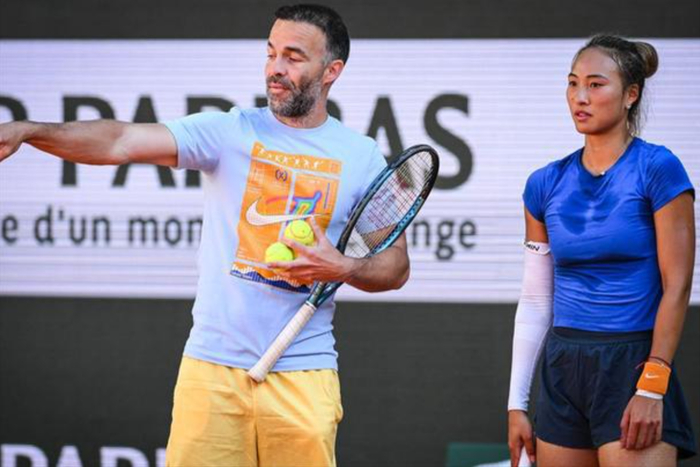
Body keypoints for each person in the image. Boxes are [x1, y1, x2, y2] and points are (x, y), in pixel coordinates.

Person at [0, 4, 410, 466]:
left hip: (305, 373)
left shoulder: (361, 156)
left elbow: (395, 266)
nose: (275, 68)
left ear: (331, 70)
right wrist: (30, 130)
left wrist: (343, 267)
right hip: (212, 369)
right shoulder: (229, 131)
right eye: (271, 53)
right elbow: (119, 141)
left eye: (293, 57)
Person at [507, 34, 697, 467]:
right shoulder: (544, 183)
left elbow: (678, 284)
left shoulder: (658, 168)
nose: (580, 97)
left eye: (595, 85)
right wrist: (517, 403)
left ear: (631, 95)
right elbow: (536, 299)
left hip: (632, 364)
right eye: (573, 83)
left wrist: (652, 385)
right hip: (563, 368)